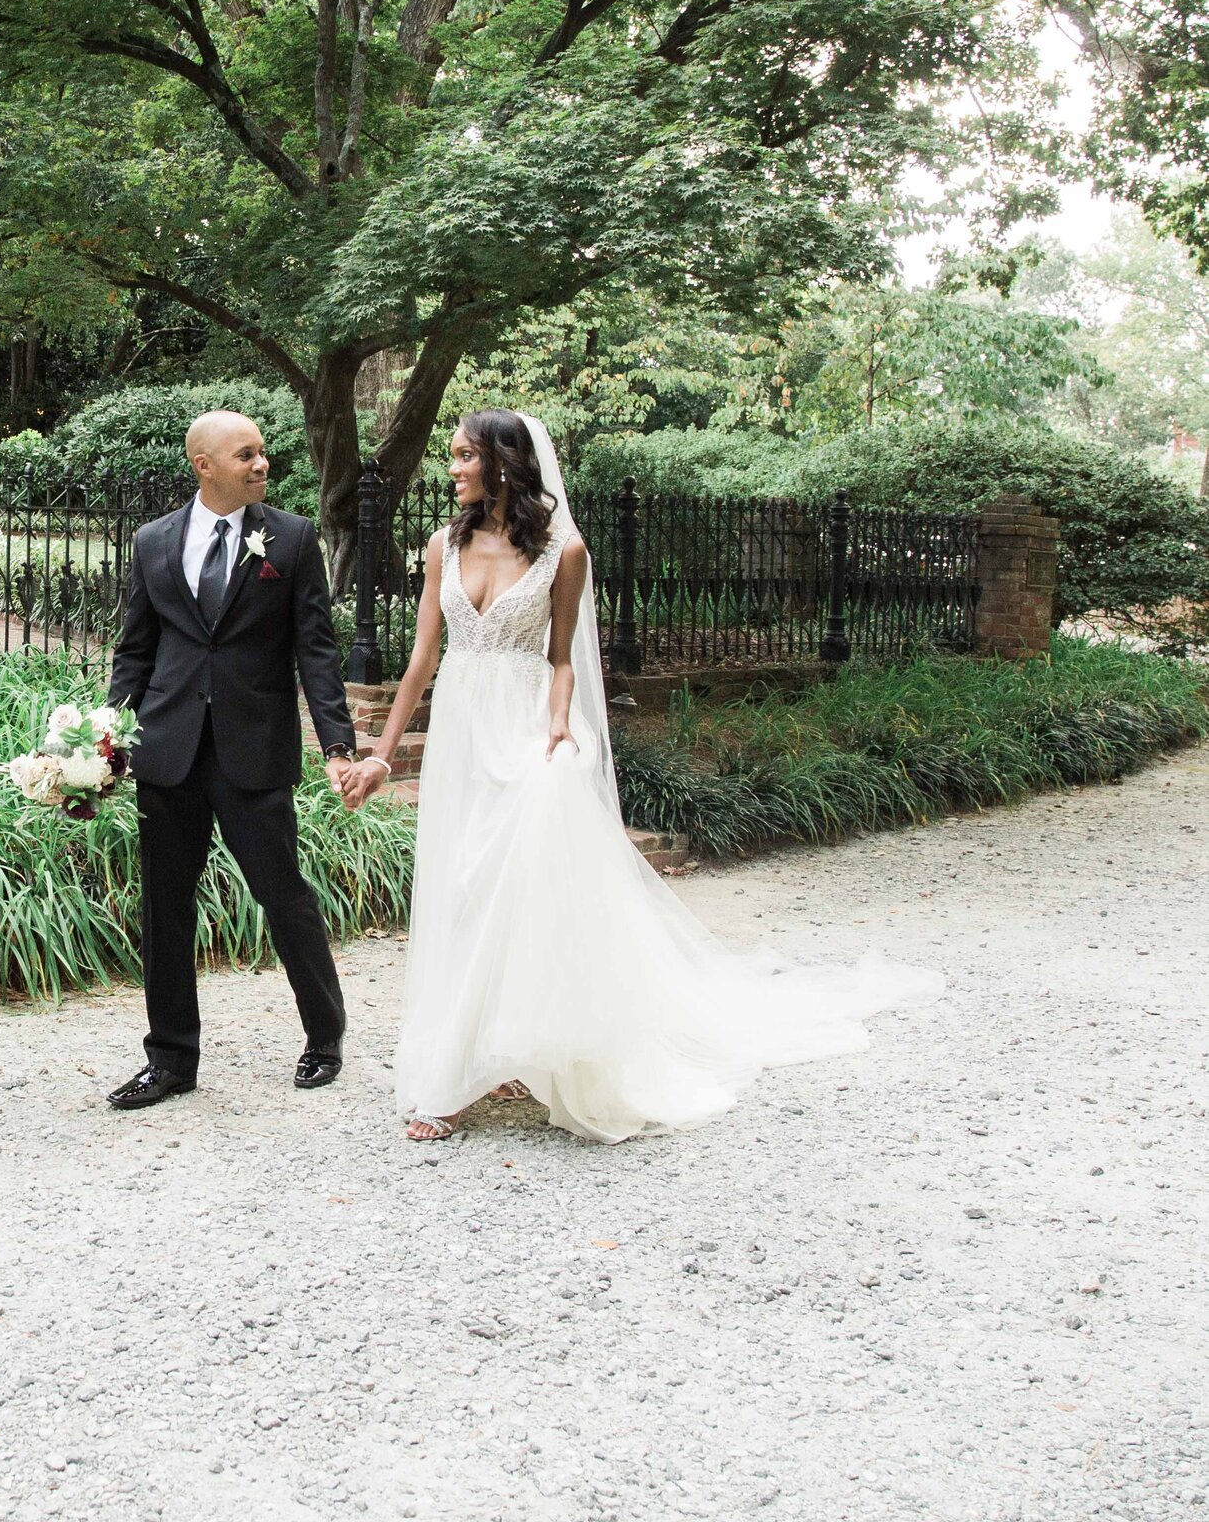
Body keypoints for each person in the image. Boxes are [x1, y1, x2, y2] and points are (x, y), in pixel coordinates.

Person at [344, 410, 940, 1142]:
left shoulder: (565, 553)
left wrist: (559, 724)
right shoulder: (443, 546)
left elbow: (562, 659)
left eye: (465, 456)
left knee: (516, 883)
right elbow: (420, 662)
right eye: (454, 458)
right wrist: (380, 752)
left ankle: (475, 1067)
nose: (454, 469)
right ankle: (477, 1050)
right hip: (464, 737)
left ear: (504, 464)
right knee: (463, 887)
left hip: (527, 728)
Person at [102, 410, 365, 1109]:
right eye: (246, 454)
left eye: (263, 454)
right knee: (164, 908)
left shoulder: (292, 538)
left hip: (254, 751)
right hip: (168, 750)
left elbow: (316, 648)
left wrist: (338, 743)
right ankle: (171, 1061)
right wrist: (108, 733)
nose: (262, 464)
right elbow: (137, 648)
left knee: (284, 897)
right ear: (204, 464)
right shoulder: (153, 541)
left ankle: (324, 1036)